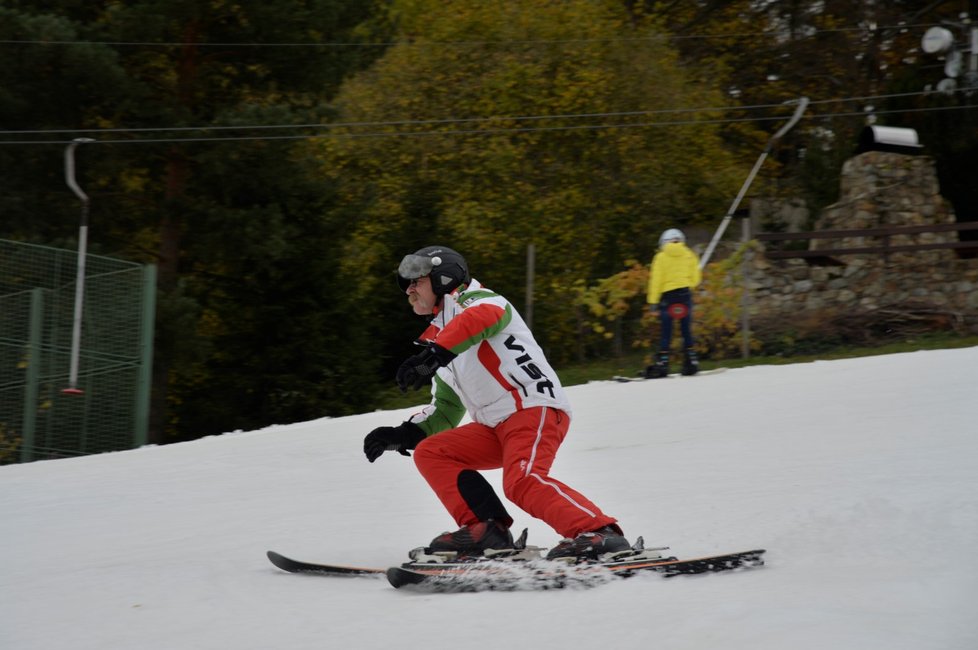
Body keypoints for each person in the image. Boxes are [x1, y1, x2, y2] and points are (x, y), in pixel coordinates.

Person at [363, 245, 628, 561]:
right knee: (432, 452)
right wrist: (401, 434)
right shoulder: (442, 340)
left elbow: (484, 317)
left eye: (416, 281)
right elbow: (446, 409)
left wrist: (434, 355)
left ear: (443, 277)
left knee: (522, 482)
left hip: (533, 407)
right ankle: (486, 530)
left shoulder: (476, 300)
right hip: (494, 426)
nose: (409, 290)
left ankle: (599, 533)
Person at [645, 228, 702, 378]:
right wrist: (688, 283)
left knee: (666, 332)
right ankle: (691, 361)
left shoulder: (660, 257)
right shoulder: (689, 254)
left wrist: (653, 302)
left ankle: (663, 364)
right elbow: (696, 280)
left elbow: (656, 281)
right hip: (684, 296)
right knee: (686, 330)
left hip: (668, 298)